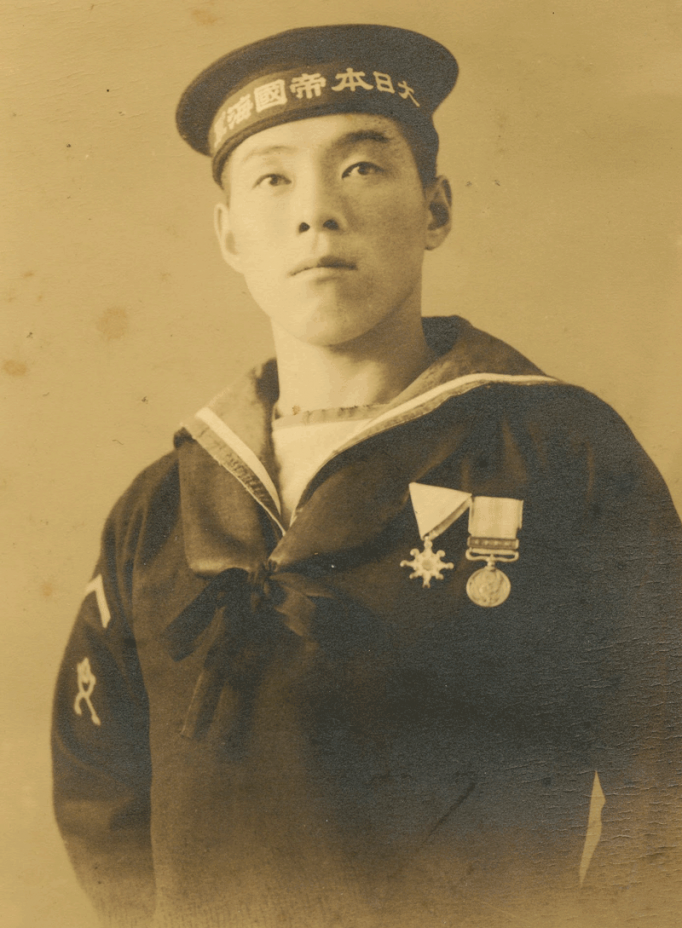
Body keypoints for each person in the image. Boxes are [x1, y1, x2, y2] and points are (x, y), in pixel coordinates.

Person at [51, 24, 682, 928]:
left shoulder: (558, 454)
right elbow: (98, 790)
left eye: (361, 168)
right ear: (230, 235)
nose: (317, 212)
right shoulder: (160, 506)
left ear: (436, 208)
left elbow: (663, 772)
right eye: (273, 179)